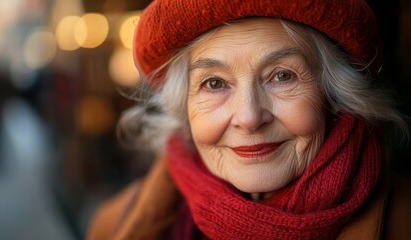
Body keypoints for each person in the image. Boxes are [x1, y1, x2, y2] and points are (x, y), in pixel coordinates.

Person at [87, 0, 411, 239]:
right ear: (183, 106)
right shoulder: (110, 225)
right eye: (214, 83)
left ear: (333, 95)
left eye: (282, 76)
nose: (249, 117)